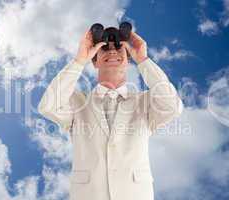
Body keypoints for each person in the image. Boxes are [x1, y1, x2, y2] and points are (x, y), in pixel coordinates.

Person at [38, 28, 184, 200]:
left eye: (119, 48)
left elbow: (172, 107)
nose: (112, 50)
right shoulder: (78, 103)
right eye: (104, 48)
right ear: (94, 61)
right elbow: (48, 106)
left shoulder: (145, 104)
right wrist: (79, 60)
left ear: (128, 59)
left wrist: (142, 59)